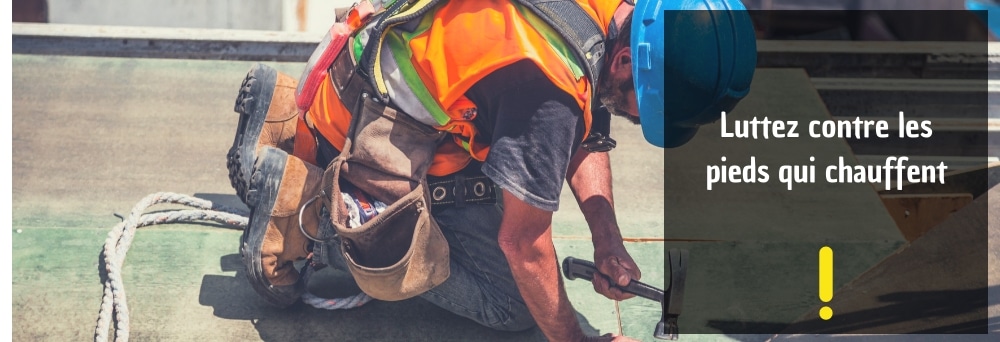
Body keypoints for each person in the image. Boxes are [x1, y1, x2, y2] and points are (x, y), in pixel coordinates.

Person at [225, 0, 755, 341]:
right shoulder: (547, 90)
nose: (638, 120)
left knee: (516, 193)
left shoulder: (616, 11)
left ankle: (285, 122)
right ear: (624, 63)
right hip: (370, 134)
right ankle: (304, 211)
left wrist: (607, 239)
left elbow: (586, 124)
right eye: (647, 107)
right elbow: (524, 245)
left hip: (362, 74)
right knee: (509, 303)